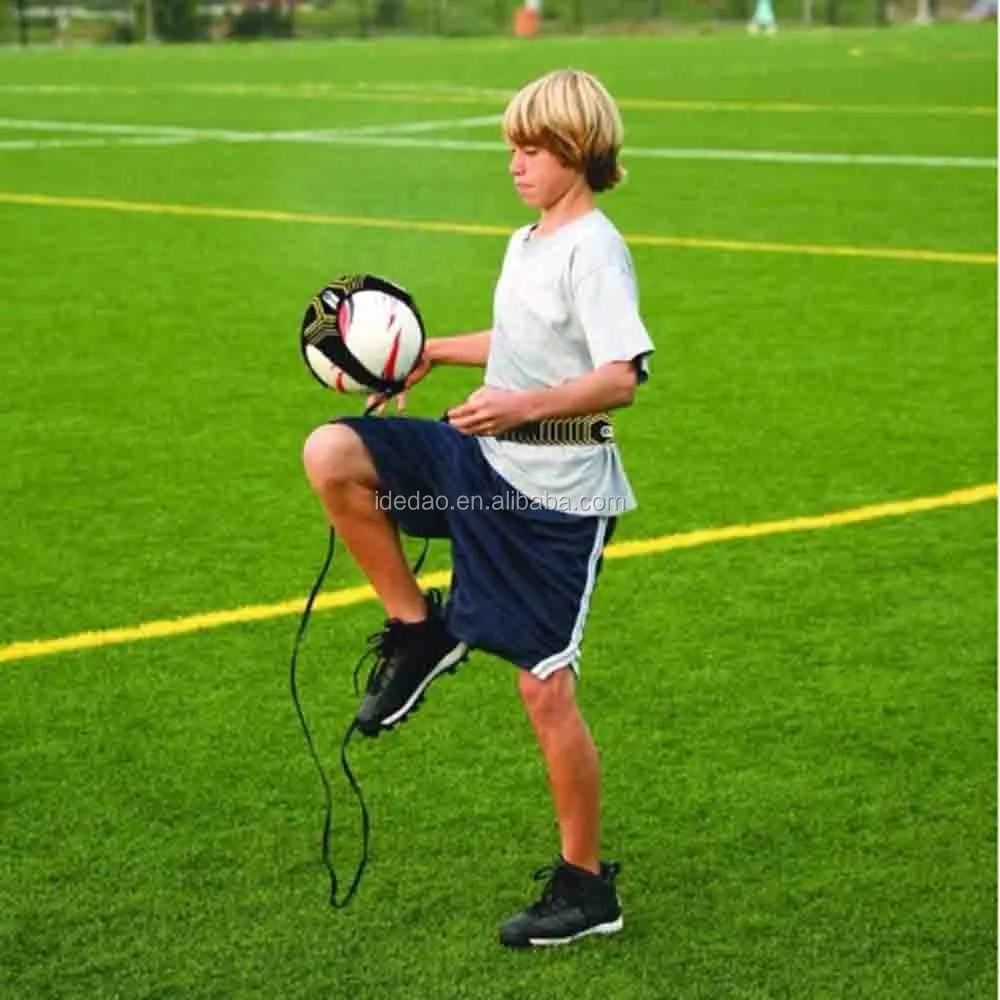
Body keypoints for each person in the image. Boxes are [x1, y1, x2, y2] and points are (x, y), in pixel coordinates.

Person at [302, 67, 654, 948]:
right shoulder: (529, 240)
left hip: (552, 502)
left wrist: (521, 406)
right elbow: (526, 339)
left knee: (544, 690)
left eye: (532, 149)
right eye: (512, 147)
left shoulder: (594, 249)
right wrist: (434, 353)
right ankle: (419, 628)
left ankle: (586, 888)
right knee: (333, 454)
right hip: (475, 466)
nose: (515, 163)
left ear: (578, 151)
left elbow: (620, 377)